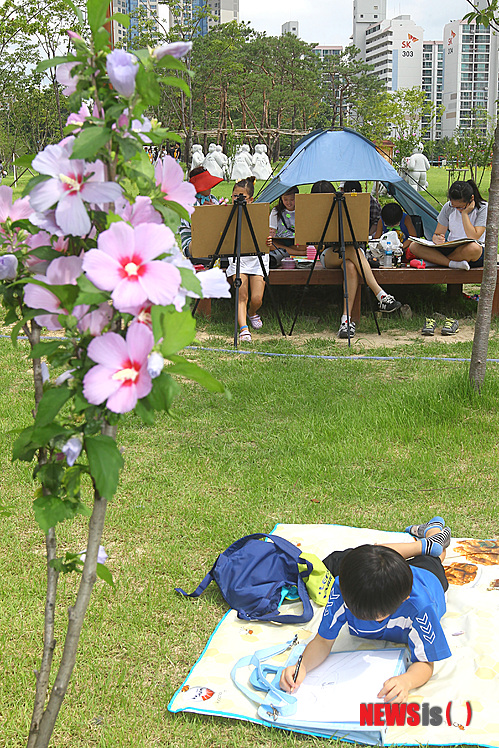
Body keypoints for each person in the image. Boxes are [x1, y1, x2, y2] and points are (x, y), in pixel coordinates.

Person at [280, 517, 452, 704]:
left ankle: (433, 534)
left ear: (404, 600)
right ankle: (421, 544)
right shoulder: (342, 590)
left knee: (434, 557)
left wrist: (407, 680)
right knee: (370, 558)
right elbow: (322, 642)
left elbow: (425, 663)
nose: (370, 621)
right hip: (389, 578)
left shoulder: (421, 608)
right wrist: (302, 666)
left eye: (378, 617)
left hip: (428, 578)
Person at [316, 182, 402, 339]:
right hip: (329, 254)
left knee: (350, 265)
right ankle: (381, 295)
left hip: (354, 254)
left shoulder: (348, 207)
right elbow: (317, 246)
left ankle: (346, 321)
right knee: (352, 251)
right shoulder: (315, 212)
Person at [408, 180, 487, 272]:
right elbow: (437, 233)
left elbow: (474, 236)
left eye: (460, 207)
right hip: (451, 247)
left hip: (472, 252)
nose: (457, 210)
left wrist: (465, 214)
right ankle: (451, 263)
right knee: (414, 246)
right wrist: (437, 238)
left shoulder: (483, 208)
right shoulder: (448, 207)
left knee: (473, 248)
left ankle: (437, 261)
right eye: (454, 207)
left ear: (471, 199)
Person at [226, 177, 268, 343]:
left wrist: (269, 242)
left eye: (242, 196)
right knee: (241, 294)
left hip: (257, 257)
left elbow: (266, 236)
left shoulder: (260, 213)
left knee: (257, 298)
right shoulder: (227, 213)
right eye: (235, 196)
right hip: (237, 257)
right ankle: (244, 328)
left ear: (250, 199)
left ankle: (252, 312)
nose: (238, 200)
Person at [179, 167, 225, 262]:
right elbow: (196, 227)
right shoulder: (188, 203)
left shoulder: (213, 199)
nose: (210, 187)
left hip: (212, 240)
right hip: (192, 243)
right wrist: (205, 213)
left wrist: (216, 211)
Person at [266, 186, 308, 267]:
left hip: (297, 242)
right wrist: (271, 233)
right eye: (285, 200)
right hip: (281, 241)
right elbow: (272, 229)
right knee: (269, 245)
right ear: (281, 199)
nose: (289, 203)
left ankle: (286, 251)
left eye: (292, 200)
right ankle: (299, 253)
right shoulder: (276, 211)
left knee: (316, 246)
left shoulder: (302, 210)